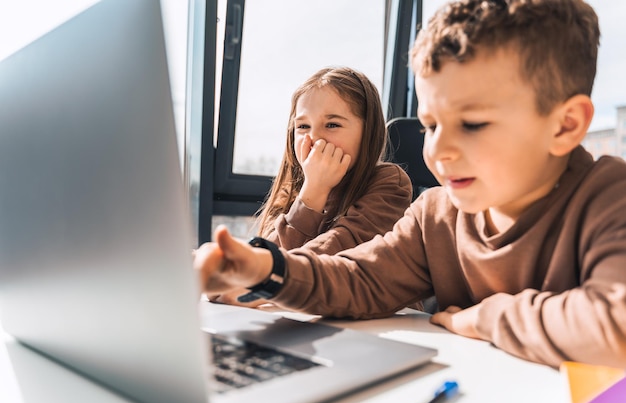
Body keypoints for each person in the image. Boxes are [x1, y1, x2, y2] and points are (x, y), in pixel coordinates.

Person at [194, 0, 626, 369]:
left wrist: (484, 317)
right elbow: (360, 278)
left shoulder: (611, 196)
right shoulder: (436, 216)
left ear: (565, 125)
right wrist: (266, 269)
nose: (440, 151)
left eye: (472, 124)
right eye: (430, 126)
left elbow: (614, 327)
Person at [212, 66, 413, 306]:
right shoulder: (293, 192)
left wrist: (262, 283)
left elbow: (337, 251)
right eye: (303, 127)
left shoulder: (389, 182)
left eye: (332, 125)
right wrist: (310, 193)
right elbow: (266, 257)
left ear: (368, 132)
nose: (313, 138)